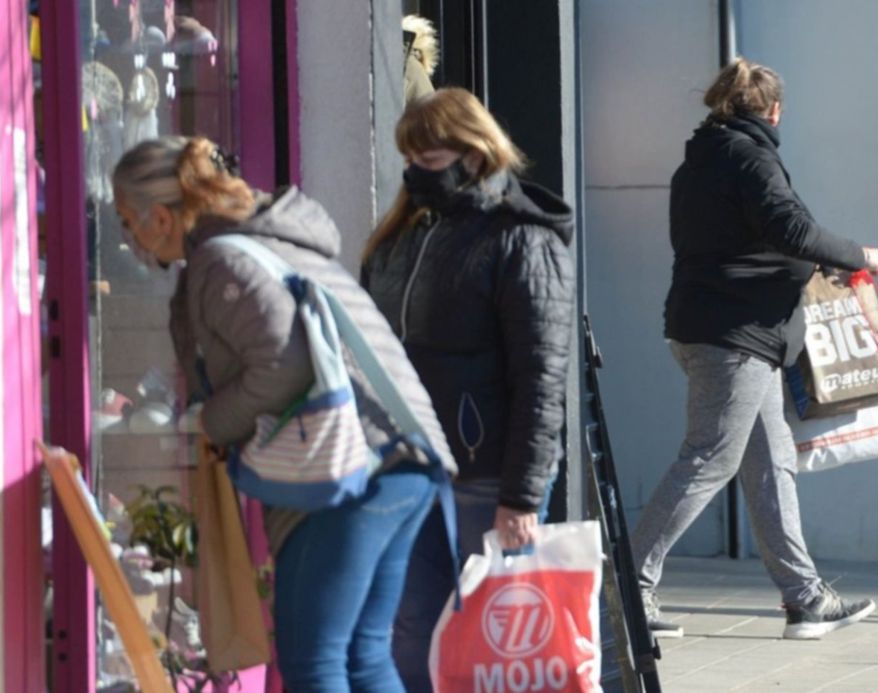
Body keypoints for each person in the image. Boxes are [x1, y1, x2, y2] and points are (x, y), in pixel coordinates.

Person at [111, 136, 457, 691]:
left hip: (349, 472)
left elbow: (282, 367)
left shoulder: (222, 260)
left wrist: (208, 422)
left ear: (158, 216)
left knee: (312, 662)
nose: (127, 238)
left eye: (128, 221)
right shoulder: (269, 240)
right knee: (365, 655)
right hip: (403, 457)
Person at [630, 57, 878, 642]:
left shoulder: (701, 161)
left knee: (772, 463)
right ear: (774, 110)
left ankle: (805, 598)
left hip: (726, 331)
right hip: (734, 337)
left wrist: (811, 259)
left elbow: (745, 240)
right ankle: (625, 589)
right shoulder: (750, 157)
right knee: (710, 457)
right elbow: (790, 229)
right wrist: (856, 255)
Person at [360, 88, 575, 691]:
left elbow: (541, 376)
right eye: (411, 158)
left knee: (488, 645)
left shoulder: (521, 239)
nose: (415, 172)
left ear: (474, 155)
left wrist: (523, 497)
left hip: (484, 473)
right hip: (408, 467)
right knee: (411, 633)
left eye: (428, 158)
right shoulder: (401, 236)